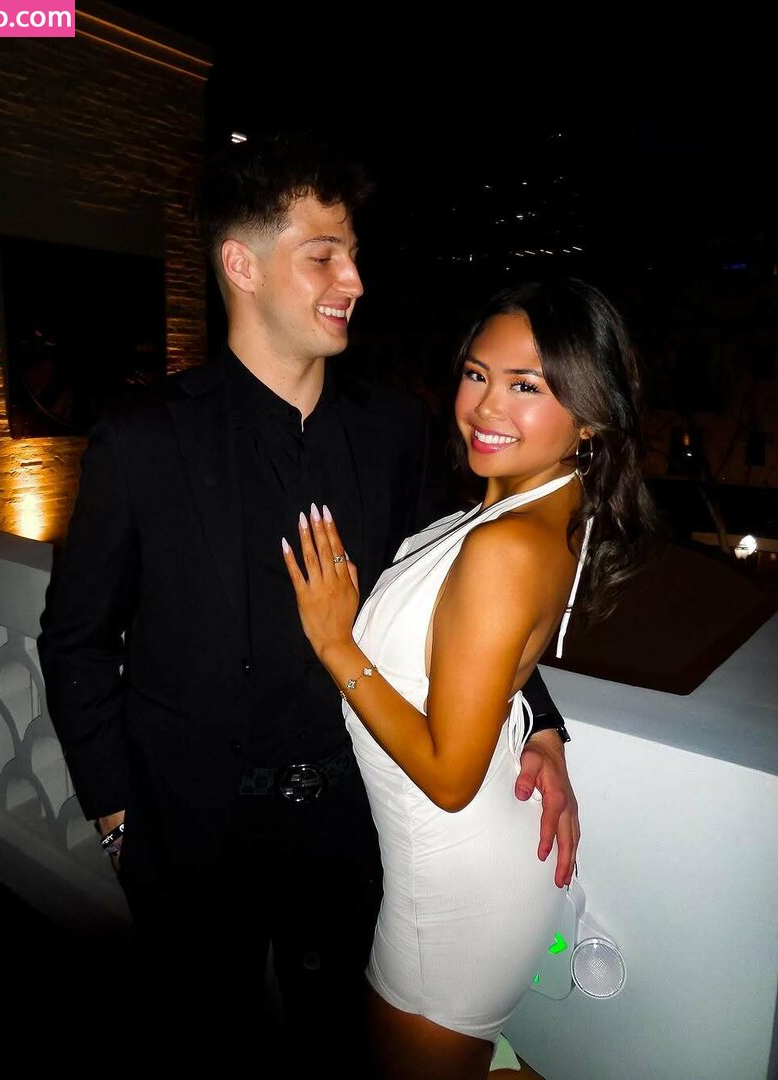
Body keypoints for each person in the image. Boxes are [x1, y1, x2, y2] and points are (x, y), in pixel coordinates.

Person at [36, 135, 579, 1073]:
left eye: (353, 255)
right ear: (241, 266)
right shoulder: (143, 438)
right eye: (323, 255)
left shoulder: (397, 428)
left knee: (339, 1051)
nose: (354, 280)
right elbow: (76, 639)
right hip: (188, 832)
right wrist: (117, 817)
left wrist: (541, 722)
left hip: (350, 828)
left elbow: (458, 595)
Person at [284, 277, 658, 1079]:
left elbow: (449, 777)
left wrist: (335, 643)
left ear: (589, 416)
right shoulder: (528, 512)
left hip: (450, 885)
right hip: (471, 861)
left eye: (527, 386)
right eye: (477, 373)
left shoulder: (504, 545)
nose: (487, 406)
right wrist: (544, 726)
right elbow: (490, 661)